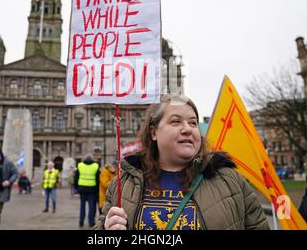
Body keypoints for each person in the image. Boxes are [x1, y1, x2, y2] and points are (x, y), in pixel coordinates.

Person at [95, 94, 269, 230]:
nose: (187, 129)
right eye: (176, 121)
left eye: (193, 123)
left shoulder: (231, 181)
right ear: (154, 133)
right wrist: (106, 228)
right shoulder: (123, 183)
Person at [74, 153, 100, 227]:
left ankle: (81, 221)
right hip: (92, 189)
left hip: (82, 189)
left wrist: (76, 188)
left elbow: (76, 177)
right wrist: (97, 189)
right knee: (91, 206)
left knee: (82, 206)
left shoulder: (80, 165)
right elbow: (98, 179)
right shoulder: (95, 166)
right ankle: (91, 222)